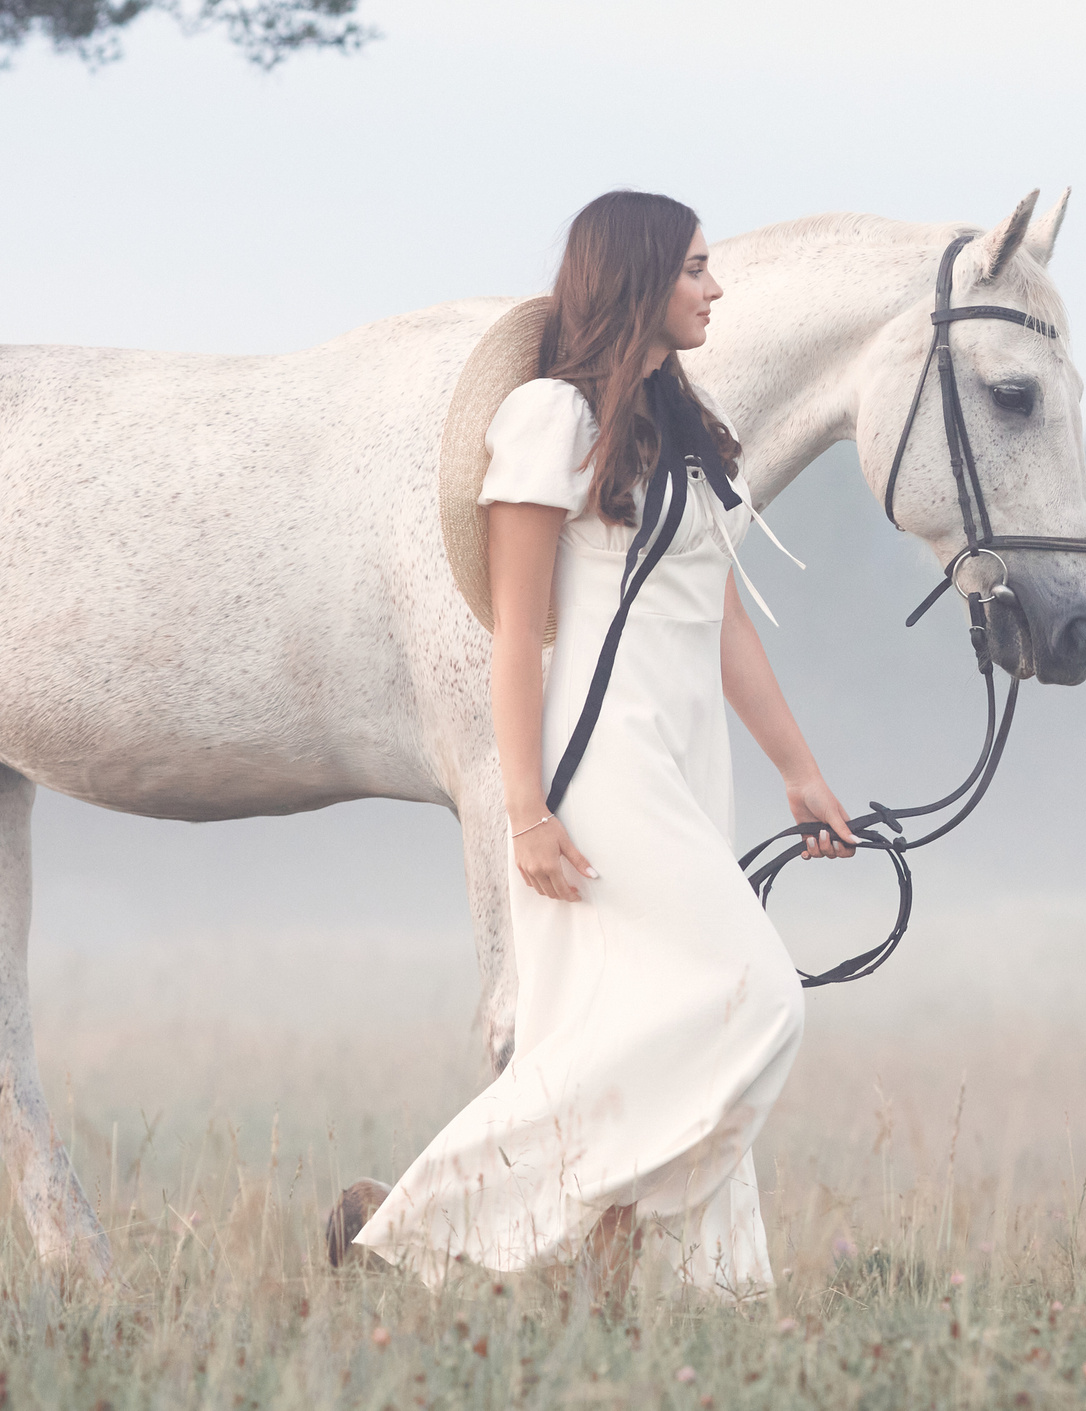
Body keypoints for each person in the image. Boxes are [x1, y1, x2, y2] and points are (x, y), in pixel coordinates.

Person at [352, 190, 858, 1298]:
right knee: (757, 998)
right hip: (602, 763)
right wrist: (525, 813)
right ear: (636, 279)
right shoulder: (547, 423)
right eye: (694, 268)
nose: (715, 287)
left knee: (624, 1023)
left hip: (688, 760)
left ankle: (665, 1285)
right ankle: (418, 1226)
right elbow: (514, 637)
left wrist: (799, 770)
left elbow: (720, 621)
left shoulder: (683, 428)